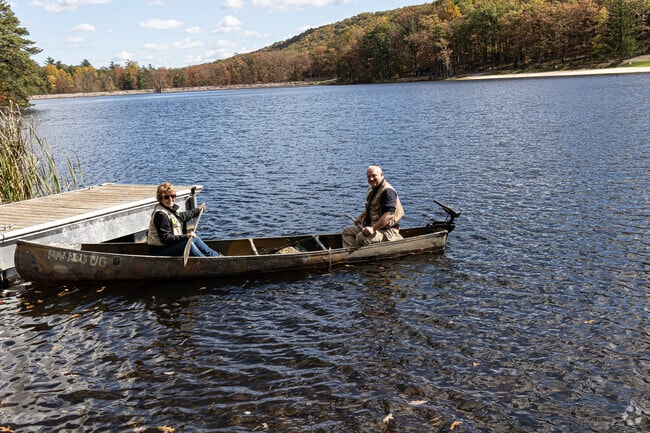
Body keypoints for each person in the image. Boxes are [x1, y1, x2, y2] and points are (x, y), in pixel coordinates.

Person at [147, 182, 220, 257]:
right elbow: (166, 238)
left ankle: (217, 256)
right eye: (166, 197)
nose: (170, 199)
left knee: (194, 238)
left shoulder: (169, 209)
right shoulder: (161, 215)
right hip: (160, 251)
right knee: (188, 244)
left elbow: (182, 216)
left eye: (173, 196)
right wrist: (186, 236)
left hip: (169, 247)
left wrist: (198, 210)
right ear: (160, 199)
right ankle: (207, 262)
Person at [342, 165, 404, 247]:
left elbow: (389, 215)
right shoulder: (373, 188)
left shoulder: (388, 191)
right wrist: (360, 217)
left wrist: (373, 228)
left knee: (361, 238)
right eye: (369, 176)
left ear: (382, 175)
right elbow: (371, 207)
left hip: (388, 231)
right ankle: (352, 255)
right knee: (347, 232)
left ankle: (360, 256)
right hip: (375, 227)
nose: (371, 179)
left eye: (374, 175)